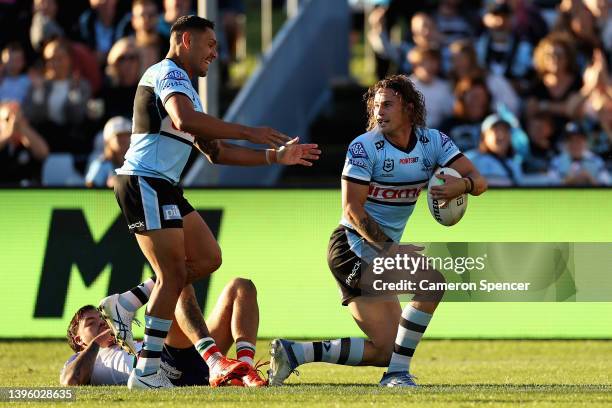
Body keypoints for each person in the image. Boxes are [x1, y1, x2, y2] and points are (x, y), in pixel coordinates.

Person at [111, 15, 320, 390]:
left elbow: (218, 152)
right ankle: (145, 374)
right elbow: (184, 118)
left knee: (208, 258)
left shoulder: (187, 88)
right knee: (174, 275)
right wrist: (249, 131)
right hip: (145, 180)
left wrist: (275, 157)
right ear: (186, 40)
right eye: (210, 45)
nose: (215, 53)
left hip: (164, 185)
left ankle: (131, 301)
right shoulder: (168, 73)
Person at [268, 75, 487, 388]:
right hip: (351, 248)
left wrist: (461, 185)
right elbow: (352, 211)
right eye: (375, 106)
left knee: (387, 348)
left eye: (387, 105)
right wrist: (390, 249)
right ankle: (397, 375)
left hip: (380, 250)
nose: (378, 112)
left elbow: (480, 181)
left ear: (409, 109)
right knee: (431, 283)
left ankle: (296, 353)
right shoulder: (364, 146)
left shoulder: (433, 142)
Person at [61, 277, 266, 387]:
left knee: (241, 286)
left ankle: (245, 372)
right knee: (177, 283)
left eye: (102, 319)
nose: (102, 324)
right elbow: (71, 381)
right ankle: (215, 362)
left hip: (188, 355)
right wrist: (97, 342)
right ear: (78, 340)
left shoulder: (128, 338)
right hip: (166, 367)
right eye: (91, 323)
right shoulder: (82, 358)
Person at [465, 113, 523, 186]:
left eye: (505, 131)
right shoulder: (469, 160)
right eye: (495, 130)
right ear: (484, 135)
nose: (501, 136)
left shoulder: (514, 165)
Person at [0, 101, 49, 186]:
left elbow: (43, 153)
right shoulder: (3, 142)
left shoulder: (29, 141)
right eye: (6, 119)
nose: (12, 122)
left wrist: (22, 128)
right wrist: (9, 131)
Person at [549, 121, 611, 186]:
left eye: (578, 141)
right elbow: (548, 186)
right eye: (571, 140)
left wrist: (590, 179)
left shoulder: (596, 160)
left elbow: (608, 184)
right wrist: (568, 181)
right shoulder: (557, 161)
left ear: (585, 142)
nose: (575, 144)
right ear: (565, 143)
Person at [407, 47, 453, 129]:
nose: (429, 66)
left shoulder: (445, 87)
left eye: (433, 61)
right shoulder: (406, 86)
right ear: (415, 65)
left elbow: (449, 112)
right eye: (425, 62)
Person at [85, 116, 131, 188]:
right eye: (119, 136)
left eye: (127, 135)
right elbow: (89, 188)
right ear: (108, 139)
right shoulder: (101, 164)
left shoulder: (137, 163)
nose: (123, 139)